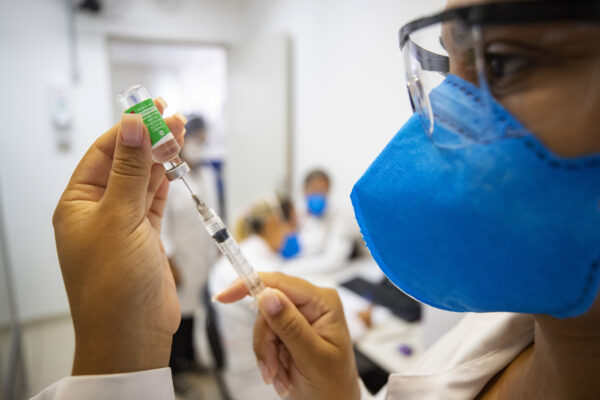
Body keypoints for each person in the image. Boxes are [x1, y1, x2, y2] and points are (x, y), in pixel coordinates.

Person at [34, 1, 600, 399]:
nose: (445, 123)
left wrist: (113, 359)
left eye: (503, 62)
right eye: (449, 69)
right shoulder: (478, 343)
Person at [207, 194, 299, 400]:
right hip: (262, 386)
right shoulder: (264, 272)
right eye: (293, 226)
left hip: (236, 371)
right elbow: (305, 329)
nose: (294, 234)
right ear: (274, 223)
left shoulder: (226, 263)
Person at [161, 114, 218, 383]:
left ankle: (191, 359)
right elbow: (162, 227)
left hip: (202, 258)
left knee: (196, 313)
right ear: (182, 142)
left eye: (204, 141)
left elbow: (214, 214)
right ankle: (174, 371)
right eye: (196, 140)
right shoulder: (167, 177)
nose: (200, 146)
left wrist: (218, 251)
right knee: (177, 319)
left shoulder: (207, 174)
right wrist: (170, 264)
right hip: (180, 261)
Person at [284, 169, 357, 278]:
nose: (318, 195)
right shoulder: (296, 212)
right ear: (304, 190)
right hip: (297, 270)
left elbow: (333, 260)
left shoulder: (339, 217)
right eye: (314, 190)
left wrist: (291, 267)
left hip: (328, 274)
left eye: (323, 191)